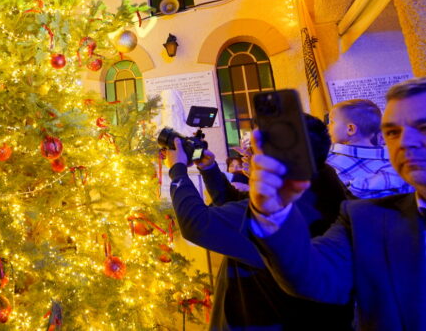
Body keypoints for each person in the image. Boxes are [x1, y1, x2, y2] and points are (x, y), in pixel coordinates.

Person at [248, 77, 426, 330]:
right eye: (393, 132)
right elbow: (311, 276)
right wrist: (273, 212)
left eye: (424, 127)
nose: (404, 143)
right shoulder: (365, 218)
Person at [166, 114, 351, 330]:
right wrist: (210, 170)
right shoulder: (320, 186)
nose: (246, 157)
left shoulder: (278, 210)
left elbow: (196, 224)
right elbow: (236, 206)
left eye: (254, 151)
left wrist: (177, 170)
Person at [326, 98, 412, 198]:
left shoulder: (329, 160)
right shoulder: (397, 159)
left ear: (350, 129)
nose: (328, 126)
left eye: (331, 122)